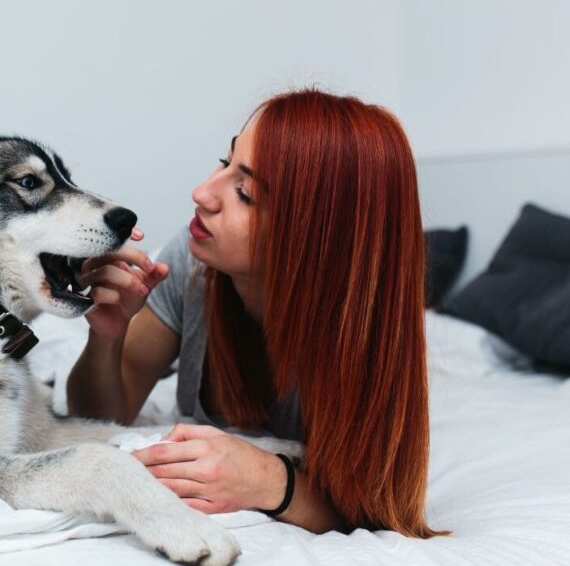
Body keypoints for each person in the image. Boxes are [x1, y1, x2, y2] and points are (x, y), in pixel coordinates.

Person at [67, 89, 444, 537]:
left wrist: (270, 482)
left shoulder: (361, 338)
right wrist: (106, 337)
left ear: (318, 239)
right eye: (224, 163)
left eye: (245, 193)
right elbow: (103, 415)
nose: (202, 193)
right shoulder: (194, 265)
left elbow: (383, 511)